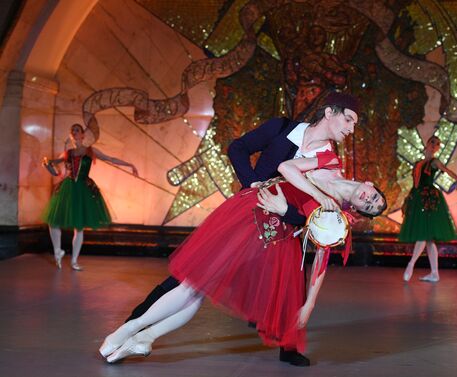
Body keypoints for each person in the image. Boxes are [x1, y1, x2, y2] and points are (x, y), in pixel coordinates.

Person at [122, 91, 361, 365]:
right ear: (329, 113)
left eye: (354, 124)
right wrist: (251, 183)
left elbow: (317, 206)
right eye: (349, 119)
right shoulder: (280, 128)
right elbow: (238, 147)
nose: (351, 128)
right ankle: (135, 322)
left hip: (284, 227)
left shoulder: (328, 160)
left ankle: (289, 346)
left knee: (293, 283)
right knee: (190, 275)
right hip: (246, 218)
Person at [98, 148, 387, 365]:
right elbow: (286, 167)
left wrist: (309, 303)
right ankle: (140, 335)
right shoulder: (330, 162)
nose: (369, 201)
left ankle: (138, 333)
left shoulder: (335, 215)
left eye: (371, 208)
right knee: (194, 286)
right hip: (249, 212)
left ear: (361, 212)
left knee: (196, 287)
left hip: (267, 235)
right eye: (374, 198)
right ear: (370, 184)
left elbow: (321, 260)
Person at [42, 123, 138, 271]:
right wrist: (47, 164)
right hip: (67, 188)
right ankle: (57, 251)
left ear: (82, 135)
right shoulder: (67, 153)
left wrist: (130, 164)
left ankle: (74, 260)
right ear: (70, 135)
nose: (74, 133)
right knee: (53, 222)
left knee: (79, 227)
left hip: (82, 189)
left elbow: (110, 159)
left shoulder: (90, 151)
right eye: (72, 131)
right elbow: (55, 171)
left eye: (77, 130)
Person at [399, 135, 457, 282]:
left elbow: (446, 170)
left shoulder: (434, 162)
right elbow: (415, 182)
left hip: (428, 200)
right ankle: (434, 273)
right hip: (417, 198)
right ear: (427, 144)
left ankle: (411, 264)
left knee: (424, 235)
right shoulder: (419, 163)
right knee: (428, 239)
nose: (434, 146)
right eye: (432, 143)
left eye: (437, 144)